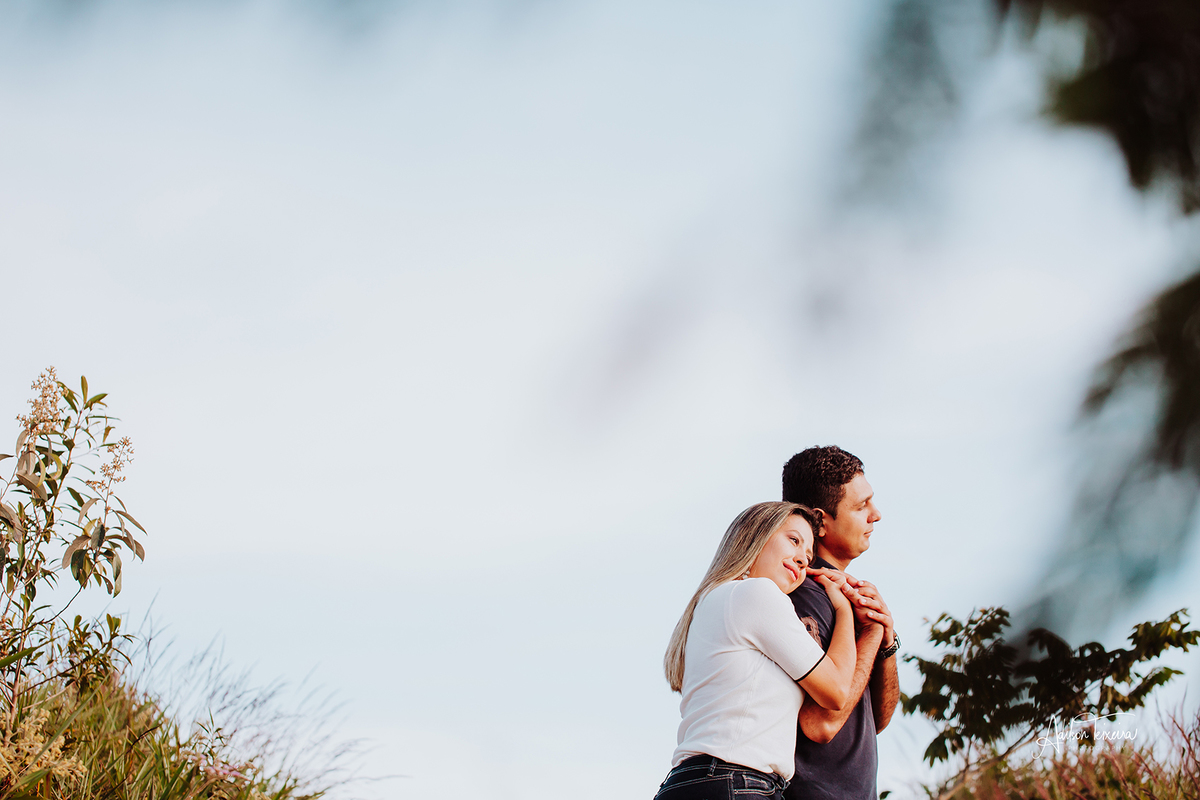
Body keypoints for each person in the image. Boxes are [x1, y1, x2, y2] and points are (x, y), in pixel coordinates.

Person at [655, 502, 887, 800]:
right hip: (738, 782)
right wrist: (845, 610)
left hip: (688, 782)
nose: (802, 559)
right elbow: (836, 692)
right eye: (793, 540)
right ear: (755, 536)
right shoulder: (756, 593)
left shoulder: (714, 601)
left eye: (808, 556)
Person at [782, 446, 900, 800]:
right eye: (861, 506)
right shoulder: (802, 595)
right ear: (820, 522)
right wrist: (872, 632)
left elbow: (877, 720)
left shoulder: (846, 599)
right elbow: (820, 723)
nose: (876, 515)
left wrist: (887, 642)